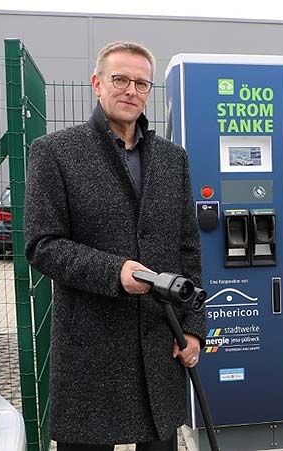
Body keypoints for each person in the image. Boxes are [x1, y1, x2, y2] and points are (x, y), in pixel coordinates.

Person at [24, 41, 204, 451]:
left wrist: (193, 329)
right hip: (90, 349)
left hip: (159, 345)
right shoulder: (55, 153)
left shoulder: (173, 159)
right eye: (120, 79)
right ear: (97, 84)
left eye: (141, 83)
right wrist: (114, 271)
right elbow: (42, 245)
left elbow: (188, 249)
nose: (131, 90)